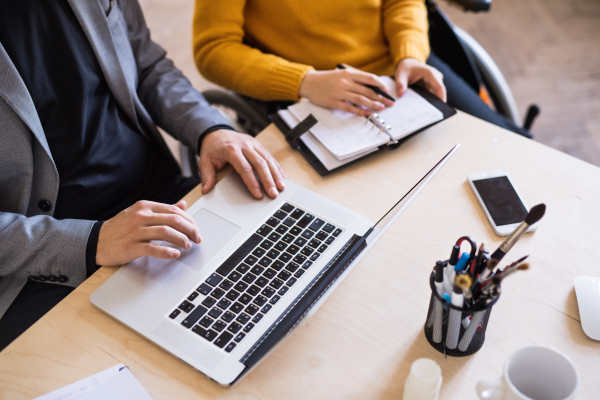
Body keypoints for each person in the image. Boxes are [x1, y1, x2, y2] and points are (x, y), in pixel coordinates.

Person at [0, 0, 286, 351]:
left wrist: (210, 128)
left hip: (166, 198)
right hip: (47, 259)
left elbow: (147, 65)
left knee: (273, 289)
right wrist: (92, 241)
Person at [192, 0, 529, 136]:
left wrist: (410, 53)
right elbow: (213, 49)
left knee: (507, 147)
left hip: (400, 68)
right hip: (315, 89)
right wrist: (304, 81)